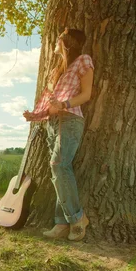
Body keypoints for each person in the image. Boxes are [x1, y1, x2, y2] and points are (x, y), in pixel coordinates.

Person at [23, 28, 94, 241]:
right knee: (58, 173)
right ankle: (61, 222)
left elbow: (86, 94)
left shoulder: (83, 60)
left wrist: (64, 104)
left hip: (70, 119)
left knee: (58, 165)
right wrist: (35, 115)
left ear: (66, 42)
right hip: (53, 123)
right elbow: (50, 102)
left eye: (58, 40)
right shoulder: (58, 69)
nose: (54, 43)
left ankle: (77, 218)